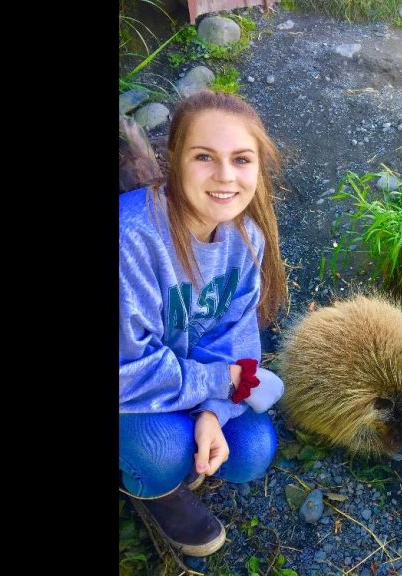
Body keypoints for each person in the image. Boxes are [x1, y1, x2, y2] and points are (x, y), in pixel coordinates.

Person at [119, 90, 288, 558]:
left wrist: (215, 409)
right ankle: (148, 486)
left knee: (253, 449)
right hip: (131, 388)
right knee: (163, 453)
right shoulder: (131, 241)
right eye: (204, 157)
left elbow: (236, 336)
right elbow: (126, 372)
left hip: (191, 380)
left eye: (241, 159)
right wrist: (220, 381)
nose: (226, 177)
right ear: (173, 158)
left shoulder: (245, 236)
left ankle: (179, 443)